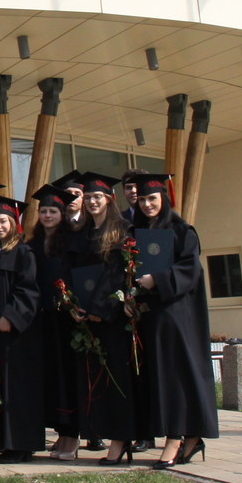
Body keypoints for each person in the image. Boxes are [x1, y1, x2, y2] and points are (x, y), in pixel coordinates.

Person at [125, 173, 219, 469]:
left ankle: (176, 438)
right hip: (150, 315)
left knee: (177, 377)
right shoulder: (136, 232)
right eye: (142, 199)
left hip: (178, 315)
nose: (147, 204)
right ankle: (187, 437)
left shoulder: (182, 230)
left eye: (152, 198)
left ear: (164, 199)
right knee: (159, 377)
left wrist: (158, 280)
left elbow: (191, 270)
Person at [67, 172, 148, 464]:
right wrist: (72, 305)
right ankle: (101, 433)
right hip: (86, 319)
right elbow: (72, 273)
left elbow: (120, 275)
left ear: (109, 199)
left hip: (112, 319)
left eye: (97, 197)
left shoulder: (123, 230)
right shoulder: (81, 233)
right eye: (88, 197)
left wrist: (102, 309)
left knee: (117, 381)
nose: (91, 202)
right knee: (96, 381)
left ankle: (121, 439)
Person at [0, 195, 43, 462]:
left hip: (19, 334)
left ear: (14, 223)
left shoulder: (24, 253)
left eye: (3, 221)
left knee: (19, 388)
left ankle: (22, 445)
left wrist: (10, 318)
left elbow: (29, 290)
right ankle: (1, 442)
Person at [27, 183, 84, 460]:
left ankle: (72, 435)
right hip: (43, 319)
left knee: (68, 377)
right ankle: (61, 432)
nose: (47, 216)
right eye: (44, 211)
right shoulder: (32, 245)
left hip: (67, 320)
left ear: (62, 214)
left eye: (53, 211)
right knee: (51, 378)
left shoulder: (72, 242)